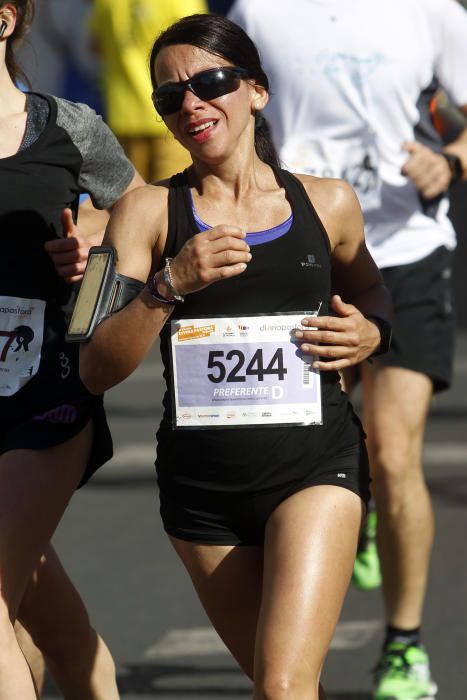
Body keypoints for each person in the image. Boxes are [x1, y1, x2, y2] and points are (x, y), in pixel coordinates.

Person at [78, 13, 392, 700]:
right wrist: (169, 285)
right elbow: (95, 365)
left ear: (254, 91)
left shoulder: (328, 203)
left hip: (314, 467)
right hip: (202, 496)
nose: (190, 105)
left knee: (280, 686)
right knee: (283, 683)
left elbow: (370, 292)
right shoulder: (145, 214)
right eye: (168, 97)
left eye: (210, 82)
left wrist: (372, 333)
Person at [228, 0, 467, 698]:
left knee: (393, 454)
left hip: (403, 249)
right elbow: (228, 112)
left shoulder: (429, 12)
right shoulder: (260, 11)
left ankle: (403, 646)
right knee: (303, 452)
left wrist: (447, 162)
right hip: (304, 250)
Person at [0, 1, 145, 698]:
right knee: (40, 624)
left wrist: (98, 245)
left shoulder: (68, 129)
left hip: (44, 392)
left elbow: (143, 215)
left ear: (4, 20)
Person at [88, 0, 209, 182]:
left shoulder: (105, 3)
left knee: (131, 202)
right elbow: (201, 48)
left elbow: (95, 46)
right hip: (174, 117)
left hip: (123, 119)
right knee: (173, 201)